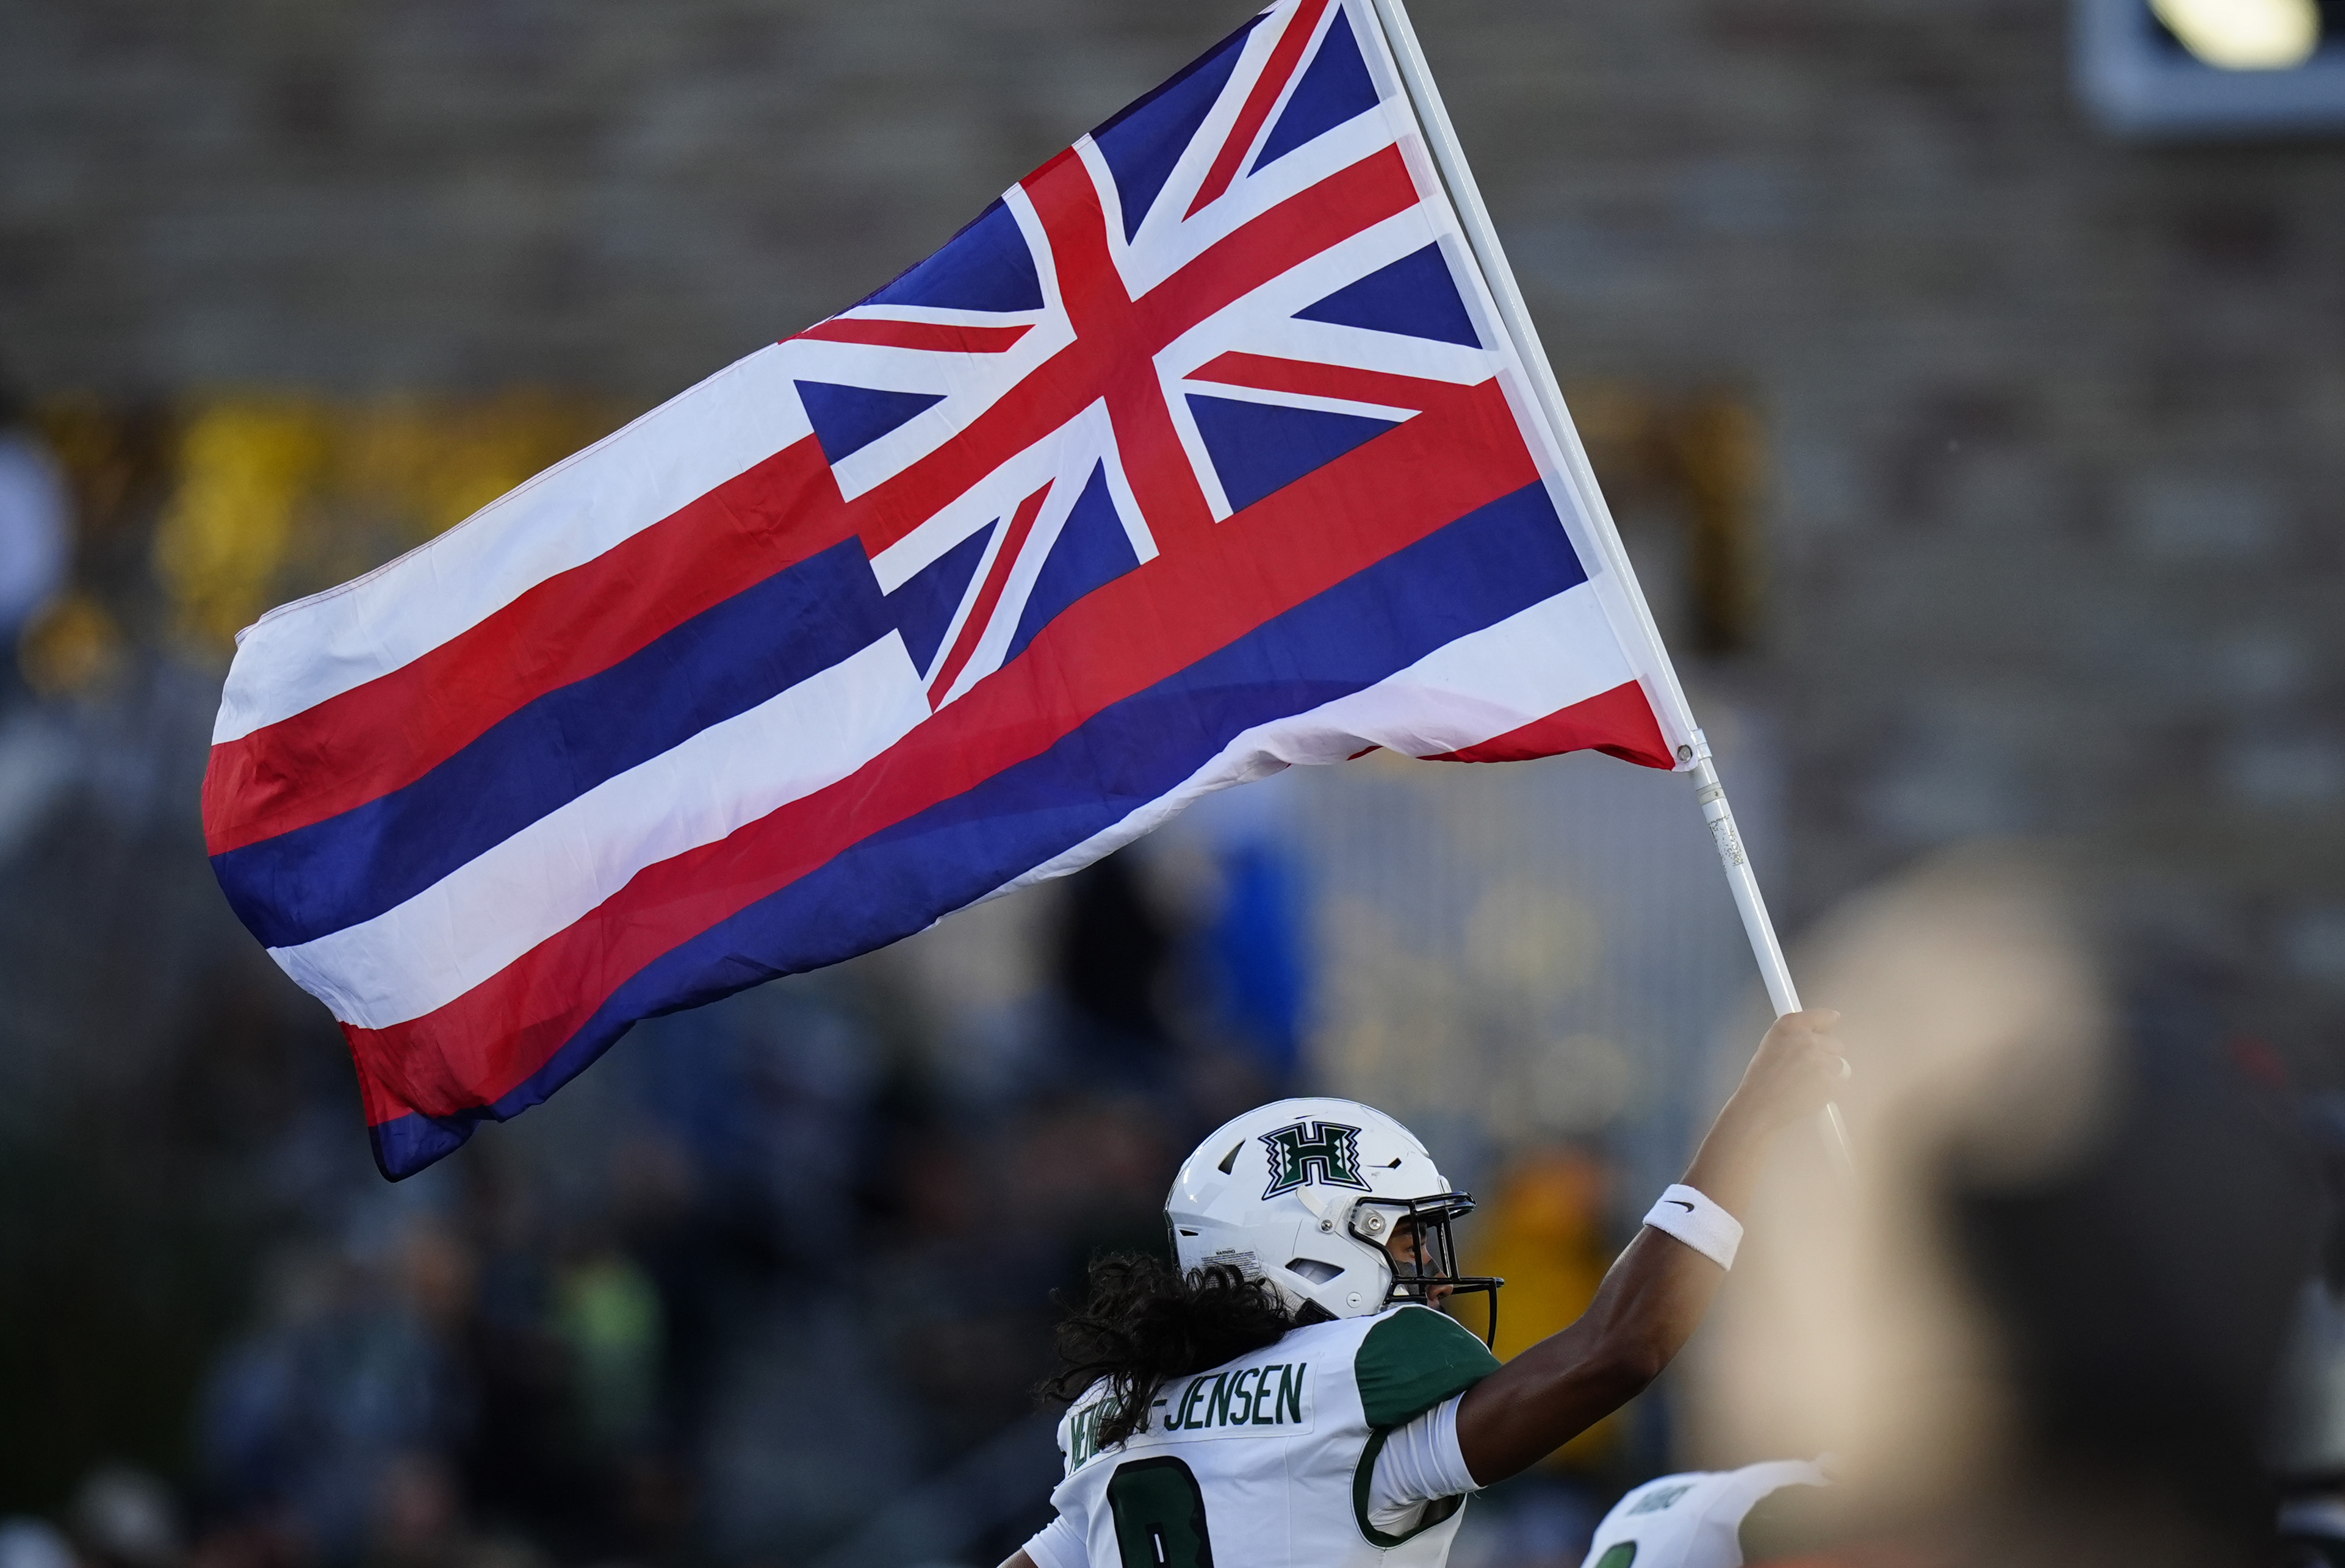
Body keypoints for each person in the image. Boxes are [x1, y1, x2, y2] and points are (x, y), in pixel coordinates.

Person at [1001, 1009, 1846, 1568]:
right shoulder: (1351, 1384)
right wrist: (1753, 1119)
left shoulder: (1121, 1415)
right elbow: (1619, 1349)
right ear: (1310, 1249)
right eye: (1405, 1240)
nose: (1432, 1273)